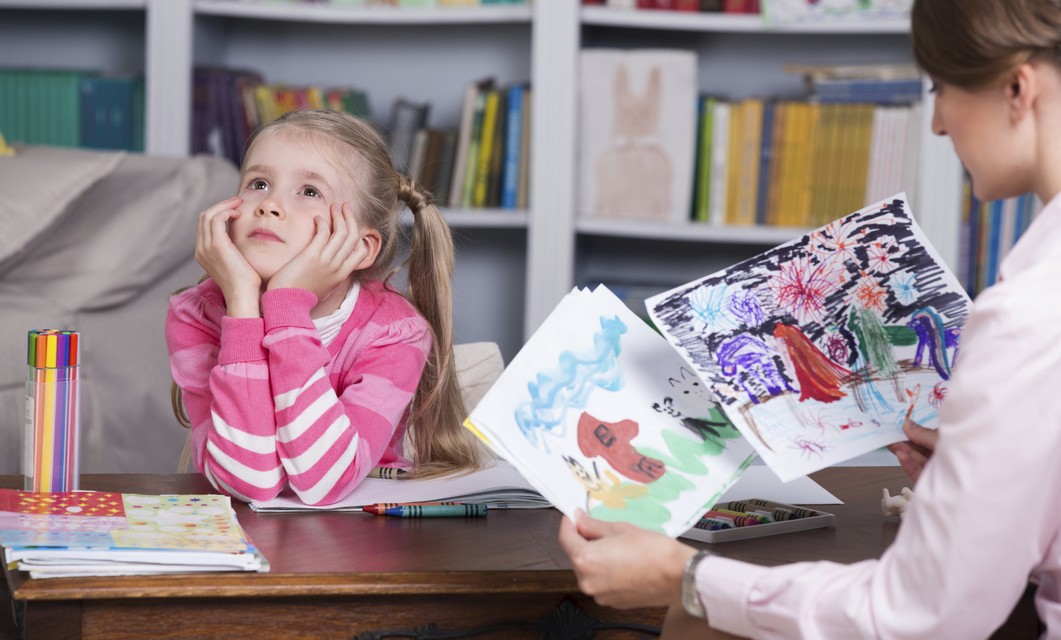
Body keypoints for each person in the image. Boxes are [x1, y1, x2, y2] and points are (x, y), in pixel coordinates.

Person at [558, 0, 1061, 636]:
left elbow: (918, 618)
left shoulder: (1028, 317)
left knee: (697, 623)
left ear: (1018, 88)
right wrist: (986, 486)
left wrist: (684, 577)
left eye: (941, 89)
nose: (937, 124)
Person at [166, 109, 482, 506]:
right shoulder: (197, 315)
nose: (270, 205)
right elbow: (250, 482)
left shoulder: (394, 333)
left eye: (309, 191)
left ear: (359, 247)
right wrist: (243, 304)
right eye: (259, 183)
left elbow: (324, 483)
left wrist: (286, 305)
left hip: (361, 543)